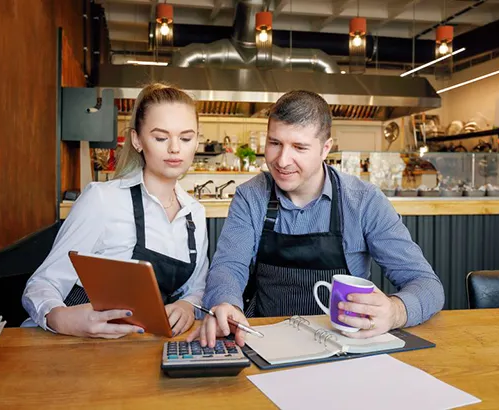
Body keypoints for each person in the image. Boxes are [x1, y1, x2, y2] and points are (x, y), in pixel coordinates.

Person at [188, 90, 444, 347]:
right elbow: (228, 267)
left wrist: (395, 310)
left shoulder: (364, 201)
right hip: (265, 341)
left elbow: (427, 284)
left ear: (325, 149)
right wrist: (226, 303)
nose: (282, 160)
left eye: (299, 147)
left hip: (345, 347)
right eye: (275, 143)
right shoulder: (251, 196)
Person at [22, 83, 209, 339]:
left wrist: (188, 306)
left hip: (143, 350)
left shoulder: (194, 213)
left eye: (186, 138)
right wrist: (62, 318)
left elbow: (196, 288)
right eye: (161, 137)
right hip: (80, 347)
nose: (175, 148)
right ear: (137, 140)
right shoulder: (102, 199)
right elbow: (41, 284)